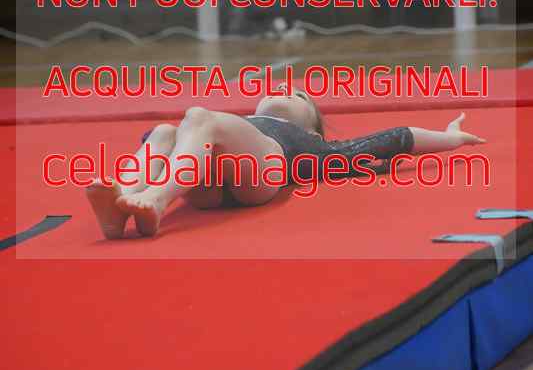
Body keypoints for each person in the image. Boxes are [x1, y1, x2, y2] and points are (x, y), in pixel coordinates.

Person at [86, 84, 485, 239]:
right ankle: (121, 204)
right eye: (278, 89)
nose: (283, 88)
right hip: (203, 181)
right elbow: (165, 148)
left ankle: (155, 199)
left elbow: (394, 139)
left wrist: (450, 138)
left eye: (299, 96)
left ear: (313, 129)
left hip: (260, 172)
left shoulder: (312, 145)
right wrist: (162, 149)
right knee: (162, 132)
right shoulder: (227, 126)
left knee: (196, 117)